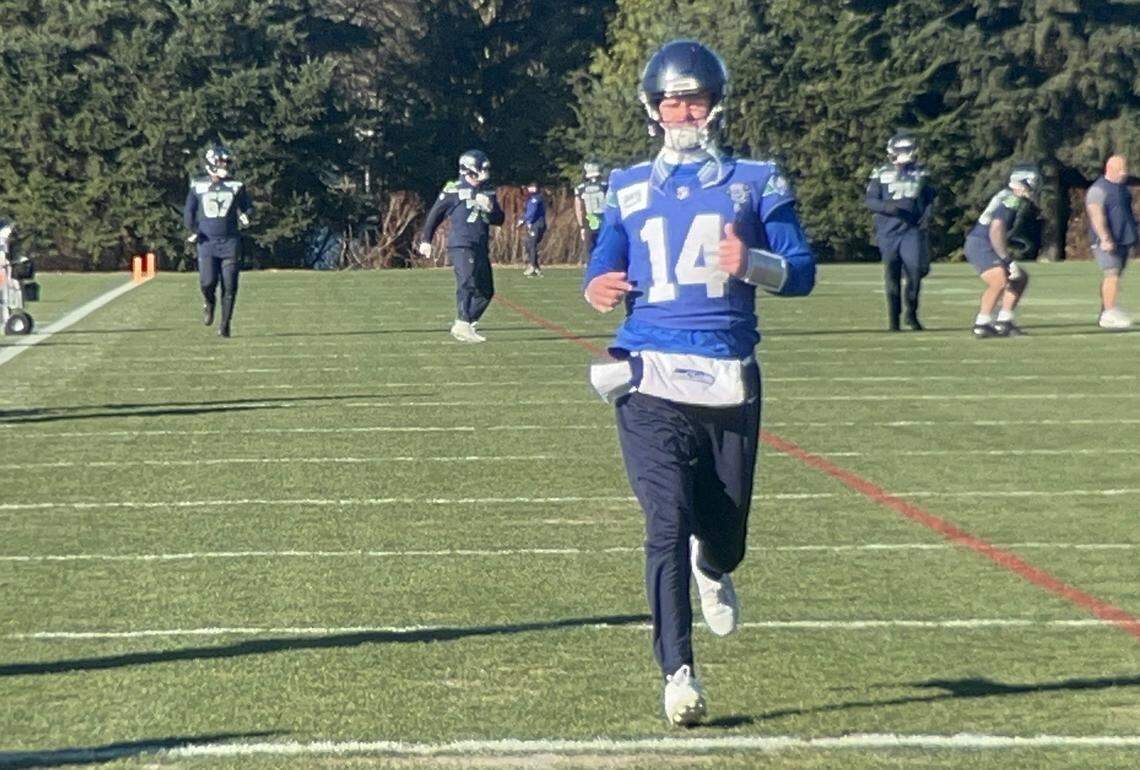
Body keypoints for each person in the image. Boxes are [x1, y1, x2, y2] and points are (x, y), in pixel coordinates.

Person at [583, 39, 815, 726]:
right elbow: (603, 257)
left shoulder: (756, 180)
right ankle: (677, 673)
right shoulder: (627, 186)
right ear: (652, 108)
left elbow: (802, 270)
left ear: (717, 104)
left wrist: (756, 264)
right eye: (671, 99)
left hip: (726, 372)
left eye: (695, 98)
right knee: (663, 523)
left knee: (725, 533)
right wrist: (595, 282)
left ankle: (713, 565)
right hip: (648, 367)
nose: (683, 110)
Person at [418, 150, 504, 342]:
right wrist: (426, 239)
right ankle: (462, 322)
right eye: (480, 170)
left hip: (481, 245)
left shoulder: (488, 190)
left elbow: (499, 219)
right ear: (469, 170)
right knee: (467, 281)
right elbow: (435, 214)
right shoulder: (453, 190)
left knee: (486, 291)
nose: (483, 175)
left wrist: (490, 208)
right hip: (461, 244)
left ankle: (466, 323)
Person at [864, 134, 936, 331]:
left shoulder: (921, 173)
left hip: (911, 230)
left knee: (914, 271)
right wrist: (890, 208)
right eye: (902, 151)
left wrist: (926, 216)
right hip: (888, 232)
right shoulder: (880, 173)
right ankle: (893, 320)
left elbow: (930, 198)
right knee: (892, 274)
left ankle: (911, 313)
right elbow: (870, 200)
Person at [183, 144, 253, 338]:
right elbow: (189, 211)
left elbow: (248, 207)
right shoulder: (198, 185)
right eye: (222, 162)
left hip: (230, 241)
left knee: (230, 285)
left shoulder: (236, 186)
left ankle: (225, 324)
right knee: (207, 282)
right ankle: (209, 302)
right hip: (207, 242)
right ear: (211, 163)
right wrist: (193, 229)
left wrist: (246, 215)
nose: (226, 165)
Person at [963, 164, 1041, 338]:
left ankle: (1004, 321)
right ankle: (982, 323)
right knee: (999, 280)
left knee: (1020, 278)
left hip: (984, 242)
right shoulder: (1011, 199)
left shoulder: (1010, 197)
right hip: (980, 243)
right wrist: (1006, 259)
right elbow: (996, 229)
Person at [1085, 154, 1136, 330]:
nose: (1125, 172)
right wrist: (1105, 238)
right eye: (1121, 169)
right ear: (1110, 169)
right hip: (1106, 240)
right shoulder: (1099, 189)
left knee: (1114, 276)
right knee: (1112, 273)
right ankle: (1109, 313)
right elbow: (1096, 215)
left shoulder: (1123, 189)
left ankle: (1105, 312)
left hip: (1123, 239)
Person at [575, 161, 608, 264]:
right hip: (604, 220)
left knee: (590, 251)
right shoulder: (605, 185)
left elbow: (578, 208)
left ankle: (592, 272)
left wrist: (581, 226)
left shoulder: (580, 188)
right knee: (605, 248)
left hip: (590, 220)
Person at [518, 182, 546, 277]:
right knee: (528, 243)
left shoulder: (536, 198)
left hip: (537, 225)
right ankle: (536, 267)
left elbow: (532, 212)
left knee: (532, 244)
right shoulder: (530, 199)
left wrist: (523, 220)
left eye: (533, 187)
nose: (530, 189)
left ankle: (532, 266)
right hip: (533, 225)